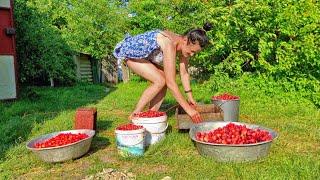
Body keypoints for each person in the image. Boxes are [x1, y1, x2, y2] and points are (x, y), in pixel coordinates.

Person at [113, 22, 213, 123]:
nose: (191, 55)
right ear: (185, 40)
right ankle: (135, 115)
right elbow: (171, 83)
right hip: (130, 53)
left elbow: (184, 73)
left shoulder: (184, 44)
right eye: (192, 51)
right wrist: (189, 110)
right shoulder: (169, 44)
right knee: (160, 81)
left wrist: (190, 98)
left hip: (145, 57)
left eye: (194, 53)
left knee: (164, 81)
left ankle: (150, 116)